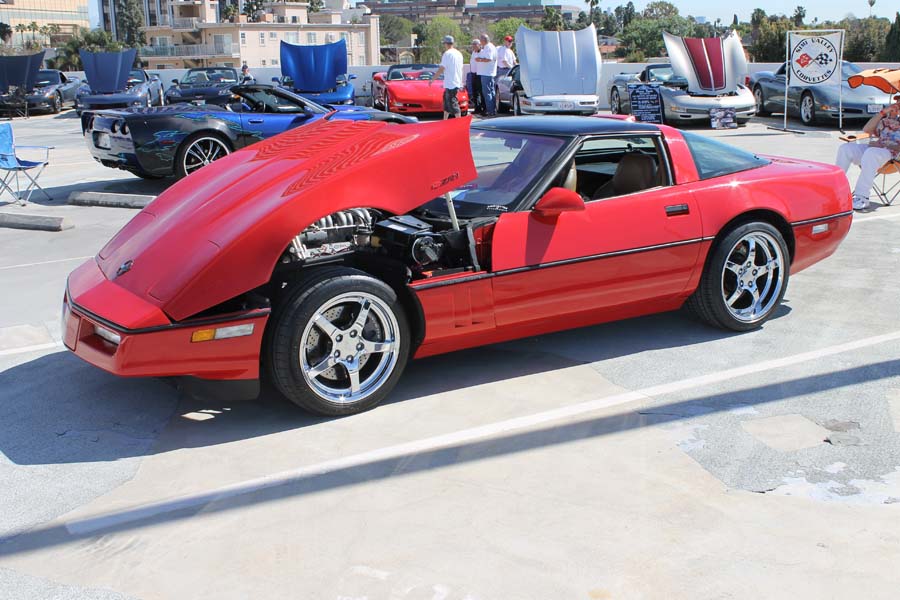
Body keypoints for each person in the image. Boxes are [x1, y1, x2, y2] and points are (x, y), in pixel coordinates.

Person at [836, 95, 900, 210]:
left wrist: (884, 145)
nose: (897, 105)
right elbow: (866, 129)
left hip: (892, 155)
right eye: (898, 102)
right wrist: (882, 113)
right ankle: (835, 190)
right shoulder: (886, 120)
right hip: (875, 150)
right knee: (845, 148)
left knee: (871, 153)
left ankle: (862, 196)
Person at [431, 35, 463, 119]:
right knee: (446, 102)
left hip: (450, 82)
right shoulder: (458, 53)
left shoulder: (447, 54)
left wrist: (433, 79)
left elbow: (442, 68)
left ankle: (459, 122)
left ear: (446, 44)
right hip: (455, 81)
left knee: (453, 103)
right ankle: (445, 120)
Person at [474, 33, 498, 117]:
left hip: (487, 73)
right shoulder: (492, 46)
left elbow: (488, 59)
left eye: (480, 40)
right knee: (491, 92)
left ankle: (490, 111)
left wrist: (479, 59)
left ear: (484, 40)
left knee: (487, 92)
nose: (480, 42)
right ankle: (493, 109)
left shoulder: (488, 47)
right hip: (490, 73)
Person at [467, 39, 484, 114]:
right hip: (473, 74)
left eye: (475, 44)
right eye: (473, 44)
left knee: (480, 92)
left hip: (479, 74)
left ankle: (483, 107)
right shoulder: (473, 52)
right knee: (475, 92)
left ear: (479, 45)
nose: (474, 46)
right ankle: (477, 108)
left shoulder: (482, 52)